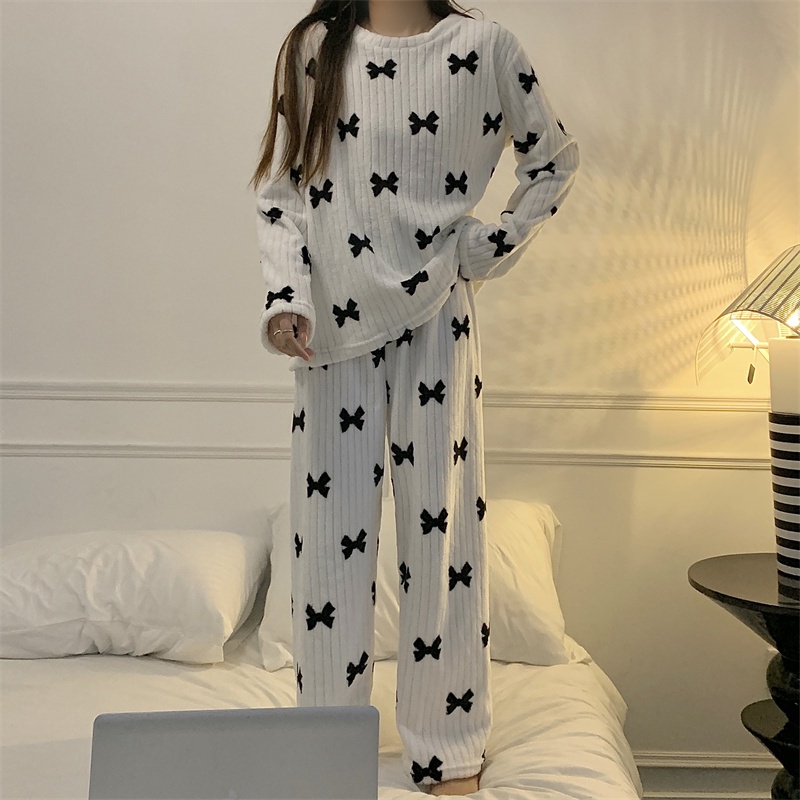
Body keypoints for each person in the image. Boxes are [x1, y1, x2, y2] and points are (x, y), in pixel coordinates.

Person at [249, 1, 580, 794]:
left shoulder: (485, 48)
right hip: (331, 331)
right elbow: (283, 188)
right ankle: (327, 745)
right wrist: (286, 295)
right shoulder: (314, 46)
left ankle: (448, 743)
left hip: (436, 317)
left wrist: (489, 246)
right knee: (328, 548)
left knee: (445, 536)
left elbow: (554, 159)